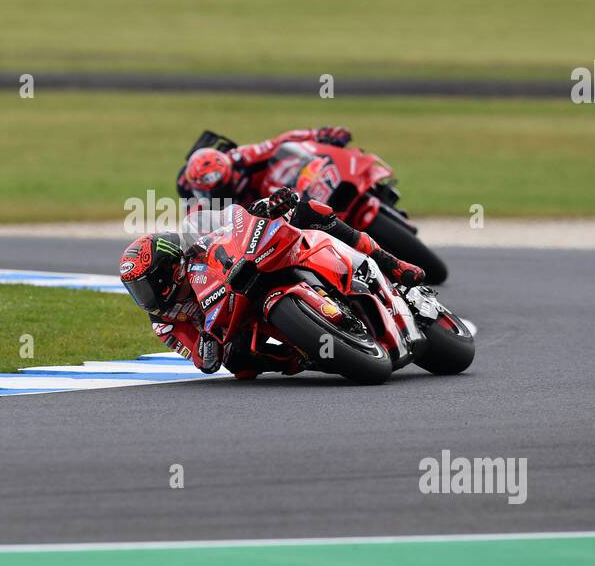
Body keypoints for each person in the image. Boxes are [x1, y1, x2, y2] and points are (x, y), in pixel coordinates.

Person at [120, 190, 426, 378]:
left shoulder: (193, 249)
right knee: (239, 364)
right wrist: (208, 346)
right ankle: (302, 356)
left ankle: (392, 263)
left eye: (146, 286)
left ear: (169, 272)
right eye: (136, 290)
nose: (143, 298)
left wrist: (266, 207)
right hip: (237, 323)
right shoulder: (165, 322)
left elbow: (230, 221)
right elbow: (203, 359)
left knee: (309, 211)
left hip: (252, 264)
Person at [177, 126, 356, 205]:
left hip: (285, 189)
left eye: (211, 192)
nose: (208, 196)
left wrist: (320, 134)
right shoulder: (204, 204)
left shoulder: (241, 158)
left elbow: (280, 142)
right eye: (202, 193)